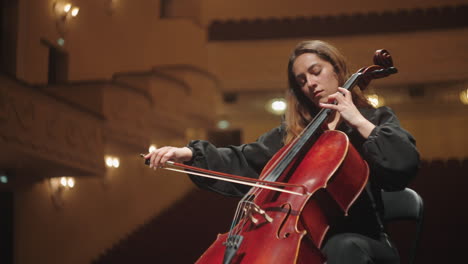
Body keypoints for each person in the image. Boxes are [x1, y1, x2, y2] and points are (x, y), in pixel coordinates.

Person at [144, 40, 420, 264]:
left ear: (337, 70)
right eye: (301, 80)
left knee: (341, 247)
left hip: (362, 240)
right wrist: (189, 154)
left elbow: (402, 163)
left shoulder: (376, 119)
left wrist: (357, 120)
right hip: (302, 238)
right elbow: (245, 158)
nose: (310, 83)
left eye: (316, 71)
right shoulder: (294, 136)